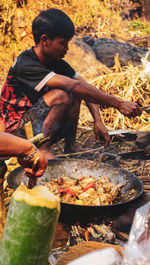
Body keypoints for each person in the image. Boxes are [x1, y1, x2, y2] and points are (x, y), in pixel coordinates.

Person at [0, 8, 142, 158]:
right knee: (62, 95)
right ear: (45, 40)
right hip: (13, 133)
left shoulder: (56, 63)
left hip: (36, 124)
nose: (67, 49)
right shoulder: (26, 64)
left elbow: (82, 85)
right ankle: (42, 150)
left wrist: (98, 120)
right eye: (63, 43)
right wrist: (119, 103)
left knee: (75, 92)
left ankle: (71, 146)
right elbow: (74, 86)